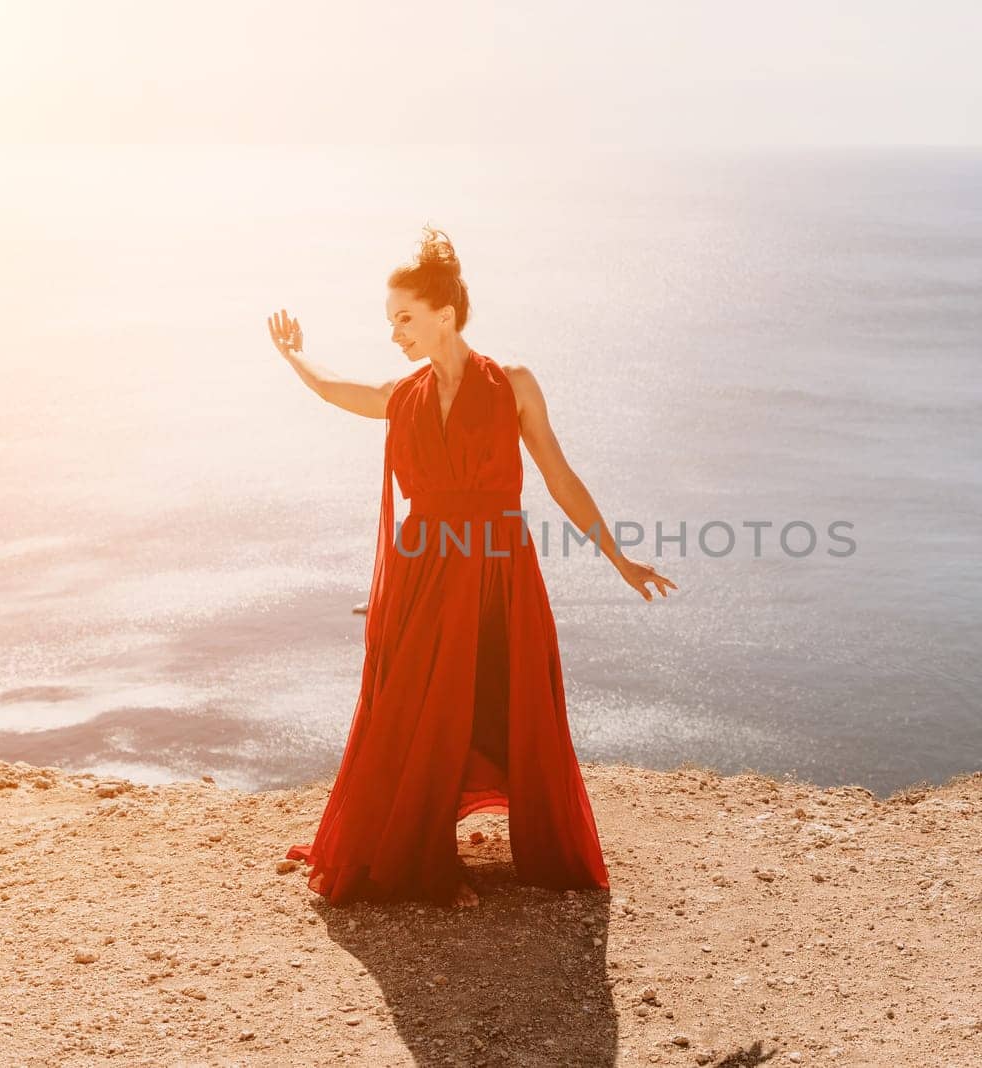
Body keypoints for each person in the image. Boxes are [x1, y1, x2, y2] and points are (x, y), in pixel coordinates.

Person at [268, 227, 676, 908]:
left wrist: (618, 558)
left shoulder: (512, 383)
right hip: (424, 575)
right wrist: (295, 355)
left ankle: (533, 847)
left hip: (498, 573)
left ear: (445, 316)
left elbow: (559, 477)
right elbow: (337, 390)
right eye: (390, 320)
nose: (395, 333)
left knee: (500, 697)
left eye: (404, 318)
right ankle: (425, 860)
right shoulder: (404, 395)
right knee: (422, 708)